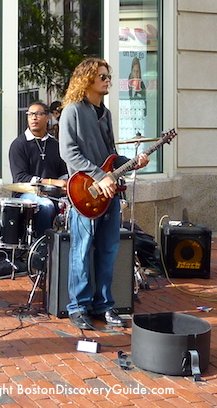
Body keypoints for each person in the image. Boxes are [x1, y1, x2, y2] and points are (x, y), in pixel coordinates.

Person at [59, 58, 149, 330]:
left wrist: (132, 160)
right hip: (85, 191)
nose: (108, 80)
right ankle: (78, 307)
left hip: (109, 193)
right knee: (82, 250)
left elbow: (110, 155)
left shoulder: (105, 113)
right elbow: (68, 152)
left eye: (108, 76)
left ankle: (104, 305)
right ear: (87, 79)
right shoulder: (72, 111)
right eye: (102, 76)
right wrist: (100, 176)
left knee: (109, 250)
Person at [8, 101, 68, 237]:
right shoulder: (19, 145)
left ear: (47, 118)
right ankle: (42, 247)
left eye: (38, 114)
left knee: (76, 205)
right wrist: (50, 182)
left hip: (54, 194)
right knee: (46, 206)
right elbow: (20, 178)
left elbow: (63, 175)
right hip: (27, 195)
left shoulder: (54, 144)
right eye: (30, 114)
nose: (34, 117)